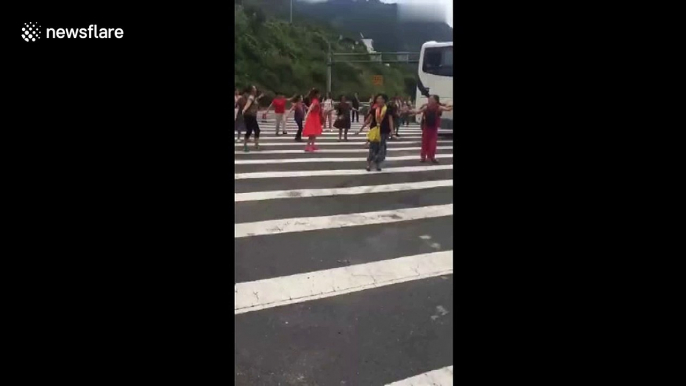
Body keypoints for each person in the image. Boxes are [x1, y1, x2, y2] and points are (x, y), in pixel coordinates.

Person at [409, 95, 452, 164]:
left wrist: (410, 111)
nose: (429, 100)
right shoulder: (430, 107)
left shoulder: (437, 107)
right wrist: (409, 111)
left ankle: (430, 157)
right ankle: (425, 157)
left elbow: (448, 109)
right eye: (429, 99)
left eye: (431, 99)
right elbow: (418, 111)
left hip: (433, 128)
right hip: (427, 128)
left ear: (435, 100)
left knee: (432, 143)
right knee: (426, 142)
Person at [358, 94, 394, 171]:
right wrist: (361, 128)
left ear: (384, 100)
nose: (378, 100)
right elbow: (368, 119)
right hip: (374, 131)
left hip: (384, 131)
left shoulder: (388, 110)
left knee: (381, 149)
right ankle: (369, 164)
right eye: (377, 99)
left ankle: (378, 164)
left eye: (380, 99)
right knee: (372, 148)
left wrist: (392, 131)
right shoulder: (374, 109)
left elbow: (390, 121)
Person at [241, 85, 262, 152]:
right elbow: (248, 104)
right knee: (255, 130)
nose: (255, 89)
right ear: (251, 90)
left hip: (251, 116)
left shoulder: (253, 97)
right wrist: (243, 110)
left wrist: (260, 97)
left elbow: (254, 101)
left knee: (250, 130)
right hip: (249, 116)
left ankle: (253, 145)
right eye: (254, 88)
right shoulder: (251, 97)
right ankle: (254, 145)